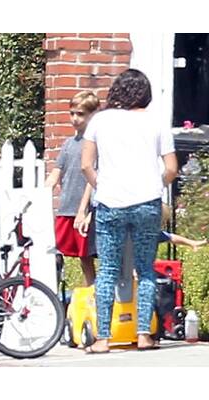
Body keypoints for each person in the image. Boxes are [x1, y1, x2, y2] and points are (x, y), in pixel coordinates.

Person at [81, 69, 178, 354]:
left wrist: (102, 186)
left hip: (110, 202)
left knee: (108, 270)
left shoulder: (100, 121)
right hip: (147, 202)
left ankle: (103, 338)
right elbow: (171, 168)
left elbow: (86, 165)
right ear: (146, 94)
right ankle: (144, 335)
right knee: (145, 269)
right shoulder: (156, 122)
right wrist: (155, 184)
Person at [45, 91, 100, 287]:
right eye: (72, 113)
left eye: (81, 114)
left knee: (89, 256)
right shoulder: (68, 144)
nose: (75, 118)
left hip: (85, 209)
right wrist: (41, 192)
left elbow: (92, 178)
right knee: (67, 254)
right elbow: (56, 173)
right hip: (66, 207)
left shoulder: (94, 144)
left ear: (93, 115)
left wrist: (83, 210)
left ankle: (94, 292)